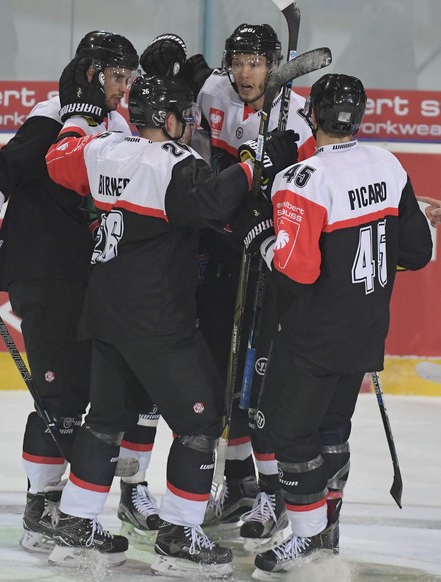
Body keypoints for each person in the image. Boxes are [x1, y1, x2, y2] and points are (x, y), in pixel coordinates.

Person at [44, 72, 299, 576]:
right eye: (184, 116)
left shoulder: (104, 151)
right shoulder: (174, 163)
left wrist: (77, 117)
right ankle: (181, 535)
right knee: (201, 420)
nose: (190, 125)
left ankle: (75, 522)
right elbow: (213, 201)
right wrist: (256, 164)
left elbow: (59, 164)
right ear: (167, 118)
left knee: (105, 419)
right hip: (157, 320)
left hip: (106, 312)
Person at [0, 30, 161, 553]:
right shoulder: (54, 113)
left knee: (91, 391)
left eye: (129, 79)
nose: (123, 88)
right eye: (115, 77)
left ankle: (76, 503)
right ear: (89, 72)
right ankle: (42, 508)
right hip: (45, 272)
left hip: (86, 275)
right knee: (61, 396)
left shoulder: (116, 123)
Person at [248, 73, 432, 578]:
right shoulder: (388, 165)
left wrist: (264, 237)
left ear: (314, 118)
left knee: (292, 435)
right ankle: (327, 528)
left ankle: (306, 540)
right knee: (333, 430)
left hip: (312, 335)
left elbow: (296, 269)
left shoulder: (301, 180)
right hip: (367, 329)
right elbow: (417, 250)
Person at [141, 24, 315, 536]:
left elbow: (313, 192)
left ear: (275, 63)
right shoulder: (212, 89)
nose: (245, 72)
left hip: (269, 253)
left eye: (257, 62)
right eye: (238, 60)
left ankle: (272, 492)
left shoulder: (299, 117)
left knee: (260, 379)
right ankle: (239, 485)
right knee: (223, 369)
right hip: (218, 248)